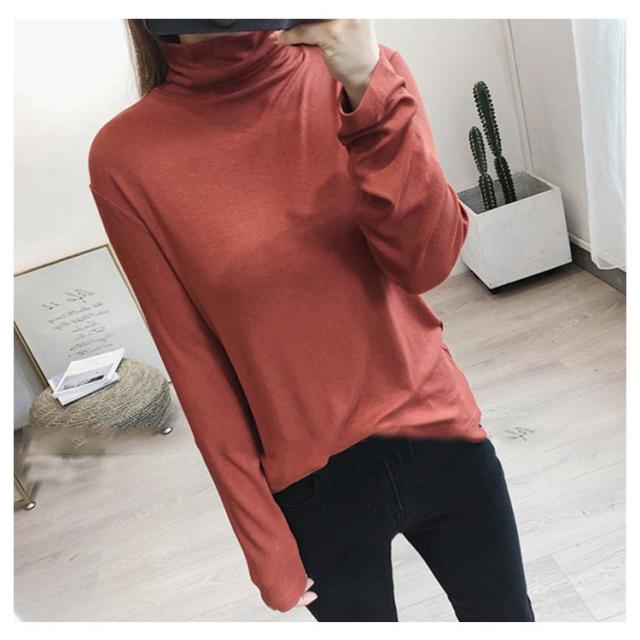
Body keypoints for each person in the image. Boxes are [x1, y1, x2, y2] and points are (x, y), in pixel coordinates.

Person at [88, 19, 535, 622]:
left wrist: (369, 89)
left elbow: (427, 263)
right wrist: (261, 541)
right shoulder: (127, 158)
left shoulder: (363, 72)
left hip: (440, 431)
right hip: (314, 489)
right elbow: (193, 363)